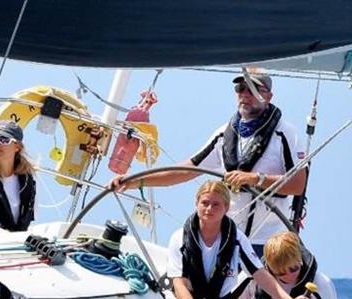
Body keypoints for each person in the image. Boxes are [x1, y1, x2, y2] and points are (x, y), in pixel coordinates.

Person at [111, 72, 308, 257]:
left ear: (269, 96)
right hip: (229, 237)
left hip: (269, 242)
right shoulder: (225, 134)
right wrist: (133, 181)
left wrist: (254, 178)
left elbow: (298, 184)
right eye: (241, 88)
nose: (245, 95)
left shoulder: (285, 134)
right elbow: (185, 171)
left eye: (254, 90)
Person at [167, 181, 310, 299]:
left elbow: (260, 274)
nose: (209, 209)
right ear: (196, 204)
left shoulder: (237, 239)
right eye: (205, 203)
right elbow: (179, 284)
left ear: (226, 208)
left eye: (216, 205)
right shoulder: (179, 238)